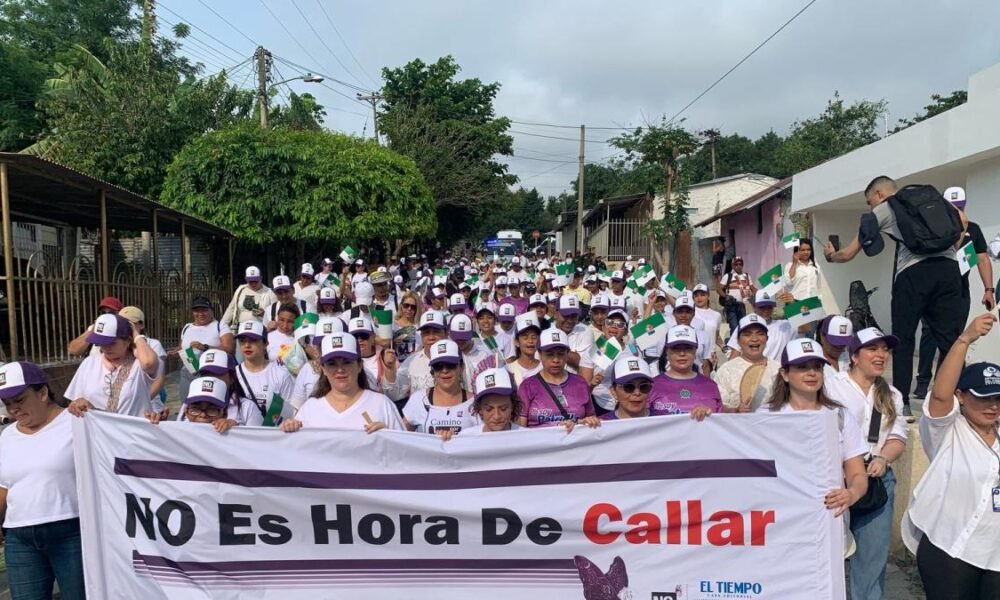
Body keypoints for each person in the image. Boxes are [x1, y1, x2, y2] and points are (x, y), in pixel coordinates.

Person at [824, 175, 966, 418]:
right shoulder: (937, 200)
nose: (871, 207)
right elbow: (963, 222)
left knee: (903, 339)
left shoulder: (886, 208)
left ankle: (902, 404)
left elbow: (848, 253)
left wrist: (831, 256)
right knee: (952, 342)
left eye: (870, 201)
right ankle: (959, 399)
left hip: (912, 275)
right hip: (949, 271)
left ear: (879, 194)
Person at [902, 313, 1000, 599]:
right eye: (982, 397)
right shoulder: (947, 431)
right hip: (950, 549)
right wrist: (965, 339)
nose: (992, 406)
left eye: (997, 398)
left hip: (994, 555)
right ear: (961, 396)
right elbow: (940, 396)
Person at [825, 327, 907, 599]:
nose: (881, 355)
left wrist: (884, 457)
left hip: (875, 481)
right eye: (873, 349)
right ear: (855, 356)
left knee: (871, 560)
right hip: (834, 481)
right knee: (826, 556)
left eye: (885, 349)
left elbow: (897, 437)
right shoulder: (831, 385)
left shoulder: (892, 394)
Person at [0, 362, 86, 600]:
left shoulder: (78, 423)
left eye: (19, 400)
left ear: (43, 392)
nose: (13, 409)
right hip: (19, 539)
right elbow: (4, 486)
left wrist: (94, 413)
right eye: (7, 404)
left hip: (72, 532)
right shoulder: (7, 437)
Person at [760, 338, 869, 522]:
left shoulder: (840, 416)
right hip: (779, 523)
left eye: (817, 367)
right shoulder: (765, 416)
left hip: (828, 521)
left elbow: (857, 473)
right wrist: (704, 419)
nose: (812, 373)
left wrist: (851, 494)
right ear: (784, 374)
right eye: (802, 367)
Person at [913, 186, 995, 399]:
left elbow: (982, 258)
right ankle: (922, 381)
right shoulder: (932, 228)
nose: (957, 211)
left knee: (955, 338)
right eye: (952, 207)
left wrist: (988, 289)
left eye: (960, 207)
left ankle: (945, 381)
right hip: (934, 293)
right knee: (930, 334)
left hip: (959, 293)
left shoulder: (974, 229)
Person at [280, 332, 404, 433]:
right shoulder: (309, 409)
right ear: (324, 369)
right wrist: (289, 429)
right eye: (332, 364)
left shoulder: (382, 405)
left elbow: (405, 454)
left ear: (360, 365)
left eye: (347, 362)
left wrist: (389, 436)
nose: (340, 370)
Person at [66, 314, 159, 418]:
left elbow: (149, 363)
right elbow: (73, 400)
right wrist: (78, 405)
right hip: (97, 432)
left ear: (127, 341)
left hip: (131, 432)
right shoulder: (89, 363)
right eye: (101, 342)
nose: (106, 347)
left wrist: (135, 333)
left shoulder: (138, 365)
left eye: (112, 343)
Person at [517, 328, 600, 430]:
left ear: (567, 355)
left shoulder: (580, 383)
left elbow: (591, 418)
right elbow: (520, 429)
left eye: (561, 354)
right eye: (550, 354)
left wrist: (587, 422)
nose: (556, 360)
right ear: (539, 354)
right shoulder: (527, 386)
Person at [402, 340, 478, 440]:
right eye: (438, 366)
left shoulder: (476, 403)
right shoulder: (418, 399)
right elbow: (399, 434)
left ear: (461, 367)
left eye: (450, 365)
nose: (445, 371)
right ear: (432, 371)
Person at [650, 325, 722, 416]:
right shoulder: (652, 386)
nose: (682, 353)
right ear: (666, 352)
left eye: (688, 348)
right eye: (675, 348)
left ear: (695, 351)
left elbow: (720, 421)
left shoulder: (710, 386)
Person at [233, 320, 294, 426]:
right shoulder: (233, 374)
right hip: (240, 438)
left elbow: (291, 412)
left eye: (253, 340)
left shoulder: (281, 374)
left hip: (272, 437)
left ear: (265, 343)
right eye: (242, 341)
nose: (247, 345)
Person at [716, 314, 781, 412]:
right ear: (738, 340)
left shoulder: (778, 369)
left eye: (760, 334)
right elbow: (718, 406)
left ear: (767, 339)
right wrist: (735, 410)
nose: (754, 339)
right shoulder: (726, 370)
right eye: (747, 334)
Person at [178, 295, 235, 404]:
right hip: (188, 369)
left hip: (211, 373)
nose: (200, 314)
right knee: (187, 405)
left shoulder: (220, 326)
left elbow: (229, 349)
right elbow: (181, 348)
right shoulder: (187, 327)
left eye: (204, 310)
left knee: (211, 405)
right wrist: (174, 352)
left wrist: (205, 347)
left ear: (211, 311)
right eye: (196, 311)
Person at [384, 311, 447, 405]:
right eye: (426, 333)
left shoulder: (459, 360)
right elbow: (394, 395)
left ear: (446, 333)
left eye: (436, 332)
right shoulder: (411, 361)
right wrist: (389, 369)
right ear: (421, 336)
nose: (431, 337)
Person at [119, 306, 167, 414]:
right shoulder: (117, 345)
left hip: (150, 407)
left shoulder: (153, 344)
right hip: (122, 408)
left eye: (129, 323)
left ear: (141, 324)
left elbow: (159, 379)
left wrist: (140, 401)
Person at [726, 290, 792, 362]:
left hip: (775, 371)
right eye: (762, 307)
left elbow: (804, 327)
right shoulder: (745, 325)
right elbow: (735, 354)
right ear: (754, 306)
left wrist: (794, 305)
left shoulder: (784, 326)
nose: (766, 310)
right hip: (751, 371)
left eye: (769, 307)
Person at [463, 368, 521, 434]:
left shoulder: (526, 437)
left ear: (512, 406)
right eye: (489, 409)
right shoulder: (465, 438)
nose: (497, 416)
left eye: (503, 409)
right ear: (479, 409)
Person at [448, 314, 496, 393]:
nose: (460, 341)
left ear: (471, 334)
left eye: (463, 338)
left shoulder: (484, 355)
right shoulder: (447, 355)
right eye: (457, 338)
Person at [554, 295, 595, 384]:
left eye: (573, 316)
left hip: (575, 385)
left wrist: (552, 348)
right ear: (556, 313)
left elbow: (581, 362)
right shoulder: (546, 332)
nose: (569, 320)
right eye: (566, 315)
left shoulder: (585, 331)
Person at [718, 256, 754, 336]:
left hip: (741, 305)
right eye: (736, 264)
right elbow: (719, 289)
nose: (738, 266)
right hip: (731, 305)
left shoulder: (747, 276)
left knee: (743, 326)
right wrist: (725, 296)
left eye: (740, 264)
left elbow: (752, 288)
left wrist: (761, 293)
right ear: (733, 265)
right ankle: (733, 345)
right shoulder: (728, 276)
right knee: (734, 326)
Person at [507, 313, 543, 387]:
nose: (530, 341)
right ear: (517, 342)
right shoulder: (509, 369)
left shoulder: (545, 368)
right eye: (525, 337)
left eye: (534, 337)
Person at [816, 315, 854, 380]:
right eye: (835, 342)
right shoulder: (813, 362)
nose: (839, 346)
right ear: (822, 336)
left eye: (844, 343)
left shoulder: (853, 359)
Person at [392, 291, 422, 363]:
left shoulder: (420, 326)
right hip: (396, 366)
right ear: (401, 306)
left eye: (413, 307)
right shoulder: (393, 324)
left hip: (414, 365)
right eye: (406, 305)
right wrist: (401, 334)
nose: (409, 309)